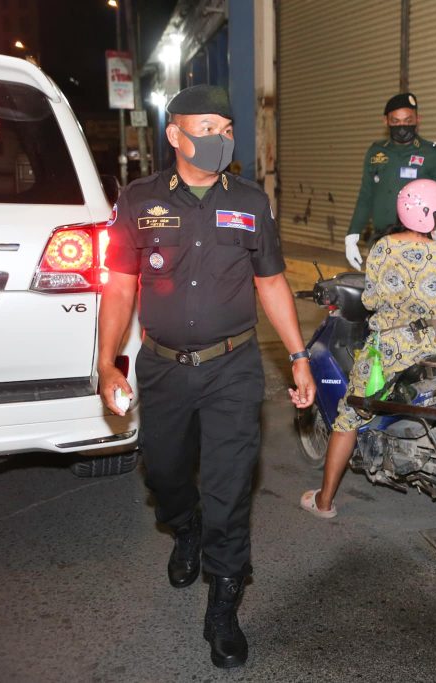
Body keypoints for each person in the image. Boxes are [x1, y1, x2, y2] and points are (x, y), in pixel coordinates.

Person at [97, 84, 316, 669]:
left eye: (226, 129)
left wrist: (298, 355)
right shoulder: (138, 200)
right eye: (207, 129)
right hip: (163, 367)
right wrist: (106, 361)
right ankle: (183, 525)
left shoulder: (250, 201)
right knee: (165, 472)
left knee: (230, 488)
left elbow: (271, 281)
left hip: (233, 368)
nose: (220, 139)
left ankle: (223, 604)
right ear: (175, 135)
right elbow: (119, 284)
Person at [302, 179, 436, 517]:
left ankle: (324, 502)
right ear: (425, 215)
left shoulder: (382, 248)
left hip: (393, 349)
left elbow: (369, 300)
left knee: (348, 415)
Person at [344, 92, 436, 271]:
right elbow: (366, 196)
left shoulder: (431, 154)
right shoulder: (375, 153)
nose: (402, 126)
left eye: (408, 121)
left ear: (418, 119)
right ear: (385, 121)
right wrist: (352, 234)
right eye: (395, 121)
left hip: (419, 244)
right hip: (382, 241)